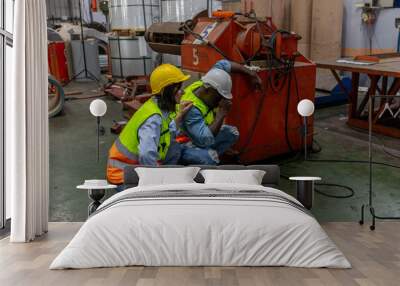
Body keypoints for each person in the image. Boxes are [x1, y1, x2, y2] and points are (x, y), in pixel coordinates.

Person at [107, 64, 192, 186]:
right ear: (165, 91)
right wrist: (155, 184)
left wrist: (179, 116)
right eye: (178, 88)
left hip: (134, 167)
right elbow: (147, 155)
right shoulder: (153, 119)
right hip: (122, 175)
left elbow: (166, 132)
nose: (182, 92)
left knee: (174, 149)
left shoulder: (159, 106)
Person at [178, 60, 262, 165]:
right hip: (186, 142)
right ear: (207, 91)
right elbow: (204, 140)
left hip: (201, 133)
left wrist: (251, 73)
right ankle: (197, 160)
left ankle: (207, 153)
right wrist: (221, 113)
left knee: (232, 133)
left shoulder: (207, 82)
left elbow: (223, 64)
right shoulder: (192, 108)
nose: (220, 101)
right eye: (218, 97)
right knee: (210, 158)